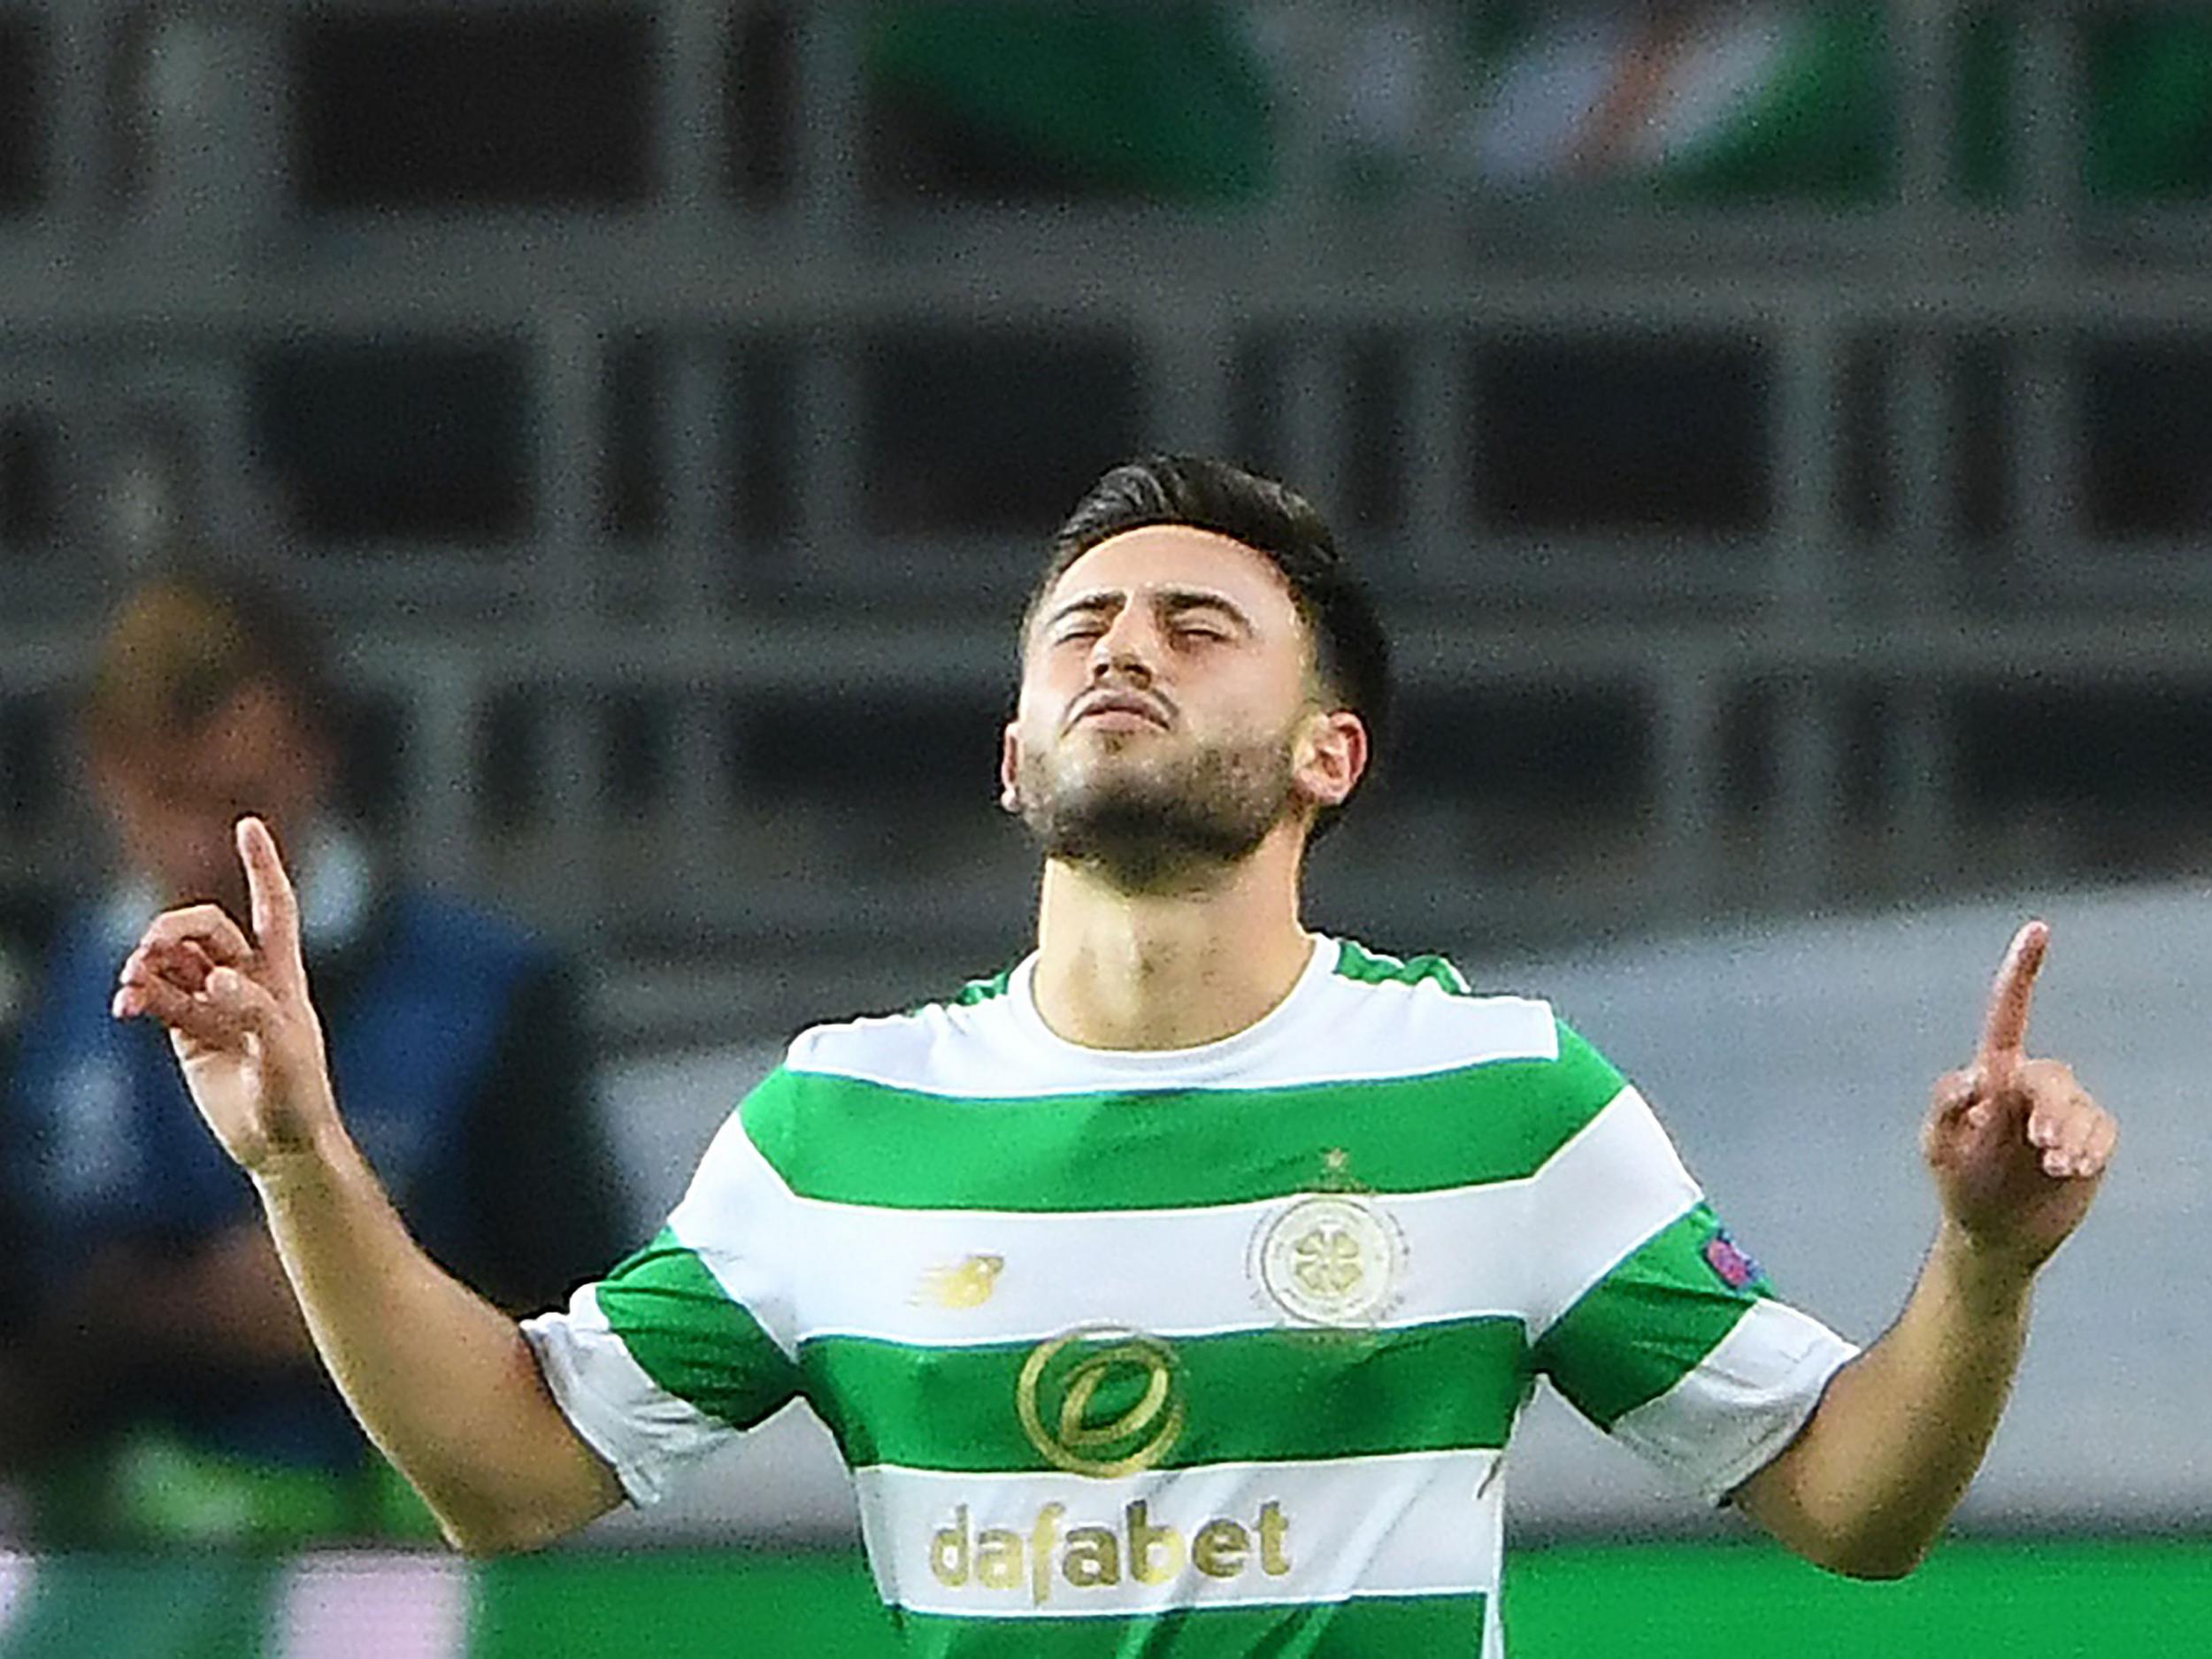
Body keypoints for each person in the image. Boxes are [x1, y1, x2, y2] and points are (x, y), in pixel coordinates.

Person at [112, 458, 2116, 1654]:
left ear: (1330, 753)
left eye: (1198, 620)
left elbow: (1855, 1497)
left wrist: (1988, 1265)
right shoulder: (840, 1121)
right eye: (1079, 623)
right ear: (1012, 756)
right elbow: (509, 1467)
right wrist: (300, 1156)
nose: (1121, 645)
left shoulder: (1505, 1096)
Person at [2, 568, 622, 1546]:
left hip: (424, 1576)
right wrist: (168, 1317)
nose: (201, 846)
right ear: (101, 769)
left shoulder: (489, 994)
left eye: (240, 802)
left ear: (317, 758)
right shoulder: (31, 1004)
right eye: (168, 799)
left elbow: (594, 1336)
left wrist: (360, 1293)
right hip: (97, 1586)